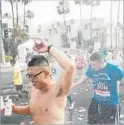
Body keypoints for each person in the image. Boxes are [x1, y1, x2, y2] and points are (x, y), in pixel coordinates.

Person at [12, 40, 75, 124]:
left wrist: (49, 48)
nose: (31, 80)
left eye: (34, 76)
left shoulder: (58, 91)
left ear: (46, 74)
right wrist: (14, 109)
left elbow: (70, 67)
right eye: (29, 76)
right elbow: (34, 109)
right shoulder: (34, 90)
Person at [76, 52, 123, 124]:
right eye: (91, 64)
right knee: (92, 122)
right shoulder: (92, 69)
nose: (92, 66)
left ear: (101, 62)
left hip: (111, 103)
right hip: (96, 101)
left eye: (94, 64)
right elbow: (83, 79)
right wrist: (73, 85)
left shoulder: (114, 69)